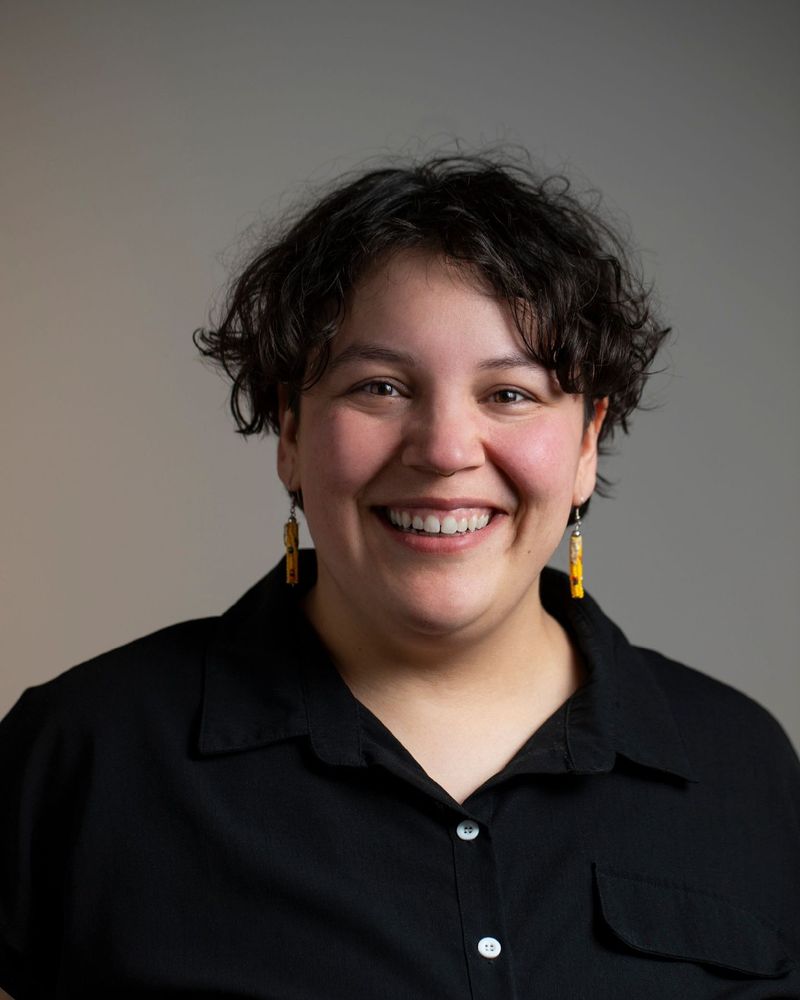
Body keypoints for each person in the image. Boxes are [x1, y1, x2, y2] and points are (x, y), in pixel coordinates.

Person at [1, 153, 798, 999]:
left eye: (511, 394)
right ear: (289, 432)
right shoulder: (81, 755)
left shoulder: (743, 768)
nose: (446, 449)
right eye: (380, 387)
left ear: (588, 442)